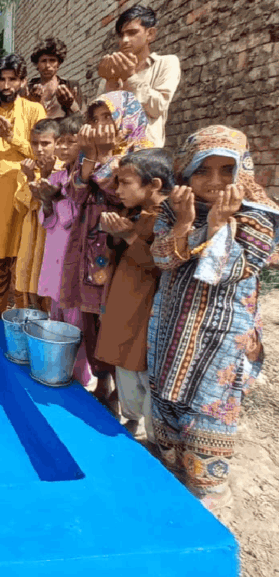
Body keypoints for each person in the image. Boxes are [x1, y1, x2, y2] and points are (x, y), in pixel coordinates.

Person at [147, 126, 279, 509]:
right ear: (186, 172)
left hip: (220, 339)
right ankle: (172, 476)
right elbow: (161, 258)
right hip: (172, 329)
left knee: (209, 407)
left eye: (226, 169)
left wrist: (218, 225)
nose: (215, 181)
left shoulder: (258, 217)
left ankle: (208, 495)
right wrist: (185, 224)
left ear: (243, 171)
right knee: (168, 397)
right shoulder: (173, 209)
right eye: (203, 170)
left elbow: (229, 271)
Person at [59, 91, 153, 406]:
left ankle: (122, 392)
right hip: (87, 245)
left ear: (125, 119)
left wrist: (104, 156)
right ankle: (101, 379)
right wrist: (90, 157)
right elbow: (75, 195)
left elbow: (117, 193)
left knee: (114, 316)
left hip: (119, 248)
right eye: (95, 118)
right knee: (90, 316)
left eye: (107, 117)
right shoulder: (89, 152)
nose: (100, 125)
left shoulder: (142, 154)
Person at [94, 149, 173, 439]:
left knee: (142, 367)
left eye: (125, 182)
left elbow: (161, 263)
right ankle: (131, 417)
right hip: (125, 301)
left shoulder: (169, 219)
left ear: (154, 185)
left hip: (147, 308)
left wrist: (129, 236)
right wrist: (117, 234)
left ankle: (147, 430)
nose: (118, 190)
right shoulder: (138, 213)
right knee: (124, 361)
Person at [0, 54, 46, 318]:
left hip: (24, 199)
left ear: (23, 81)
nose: (6, 86)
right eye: (1, 80)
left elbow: (41, 152)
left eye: (12, 79)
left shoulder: (35, 111)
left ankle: (24, 321)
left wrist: (11, 137)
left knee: (24, 260)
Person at [33, 114, 91, 386]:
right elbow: (47, 221)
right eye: (61, 142)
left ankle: (79, 377)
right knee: (56, 313)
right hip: (56, 254)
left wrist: (56, 198)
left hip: (75, 260)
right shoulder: (56, 177)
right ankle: (56, 368)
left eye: (71, 141)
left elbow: (73, 220)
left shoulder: (85, 181)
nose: (64, 147)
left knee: (75, 322)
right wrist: (46, 201)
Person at [98, 5, 181, 147]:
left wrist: (130, 77)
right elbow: (99, 118)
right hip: (114, 152)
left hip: (146, 152)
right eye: (121, 35)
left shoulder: (166, 63)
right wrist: (110, 83)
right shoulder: (111, 73)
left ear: (150, 34)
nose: (125, 40)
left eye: (132, 33)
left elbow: (158, 107)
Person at [16, 117, 62, 309]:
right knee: (29, 273)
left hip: (54, 234)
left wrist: (45, 176)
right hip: (32, 231)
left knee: (51, 275)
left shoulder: (64, 169)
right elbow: (22, 205)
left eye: (45, 143)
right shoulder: (26, 169)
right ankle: (32, 313)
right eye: (34, 143)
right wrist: (30, 177)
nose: (39, 149)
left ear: (57, 143)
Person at [26, 37, 82, 118]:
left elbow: (82, 118)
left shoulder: (71, 86)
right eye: (43, 61)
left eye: (52, 60)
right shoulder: (29, 89)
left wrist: (71, 104)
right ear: (37, 64)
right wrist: (33, 103)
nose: (47, 66)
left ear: (59, 63)